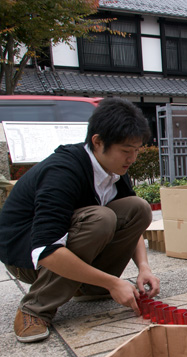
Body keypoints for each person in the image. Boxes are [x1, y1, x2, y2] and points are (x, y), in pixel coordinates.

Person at [0, 97, 160, 343]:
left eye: (137, 151)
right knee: (101, 219)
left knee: (138, 207)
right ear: (98, 142)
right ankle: (35, 308)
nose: (132, 158)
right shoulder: (63, 172)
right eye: (126, 151)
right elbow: (45, 250)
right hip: (28, 257)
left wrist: (144, 267)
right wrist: (113, 282)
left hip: (68, 245)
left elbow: (132, 223)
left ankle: (92, 288)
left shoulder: (115, 170)